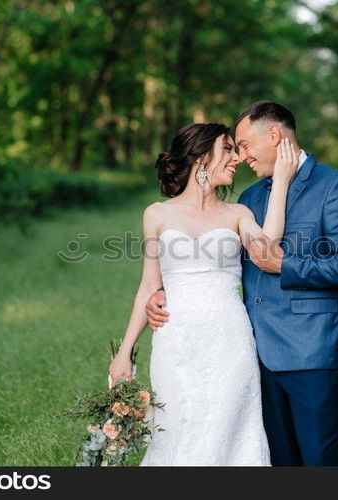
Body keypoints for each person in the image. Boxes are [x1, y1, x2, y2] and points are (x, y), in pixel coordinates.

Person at [145, 101, 338, 466]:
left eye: (245, 145)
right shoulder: (250, 198)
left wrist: (285, 263)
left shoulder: (336, 186)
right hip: (249, 349)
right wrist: (162, 292)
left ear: (274, 135)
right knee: (276, 457)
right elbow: (212, 262)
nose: (242, 157)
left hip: (309, 347)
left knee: (317, 455)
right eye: (234, 149)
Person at [109, 121, 299, 465]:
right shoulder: (157, 214)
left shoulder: (238, 214)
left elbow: (267, 247)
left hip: (230, 340)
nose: (236, 158)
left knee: (228, 431)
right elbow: (149, 286)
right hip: (175, 340)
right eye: (227, 148)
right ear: (199, 157)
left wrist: (282, 180)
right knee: (177, 429)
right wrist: (124, 353)